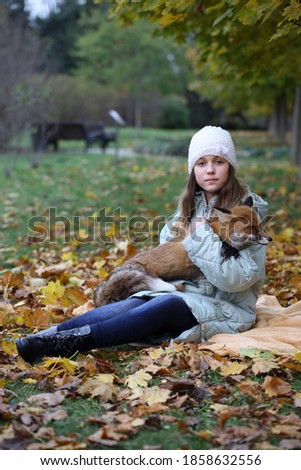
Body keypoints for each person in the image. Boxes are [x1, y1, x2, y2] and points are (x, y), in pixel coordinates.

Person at [16, 126, 269, 364]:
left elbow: (237, 280)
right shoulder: (189, 209)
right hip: (183, 294)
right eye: (201, 163)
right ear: (193, 170)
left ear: (230, 167)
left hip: (227, 309)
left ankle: (65, 345)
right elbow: (166, 257)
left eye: (219, 162)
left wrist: (200, 238)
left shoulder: (249, 214)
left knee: (164, 305)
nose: (210, 170)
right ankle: (45, 337)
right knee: (135, 303)